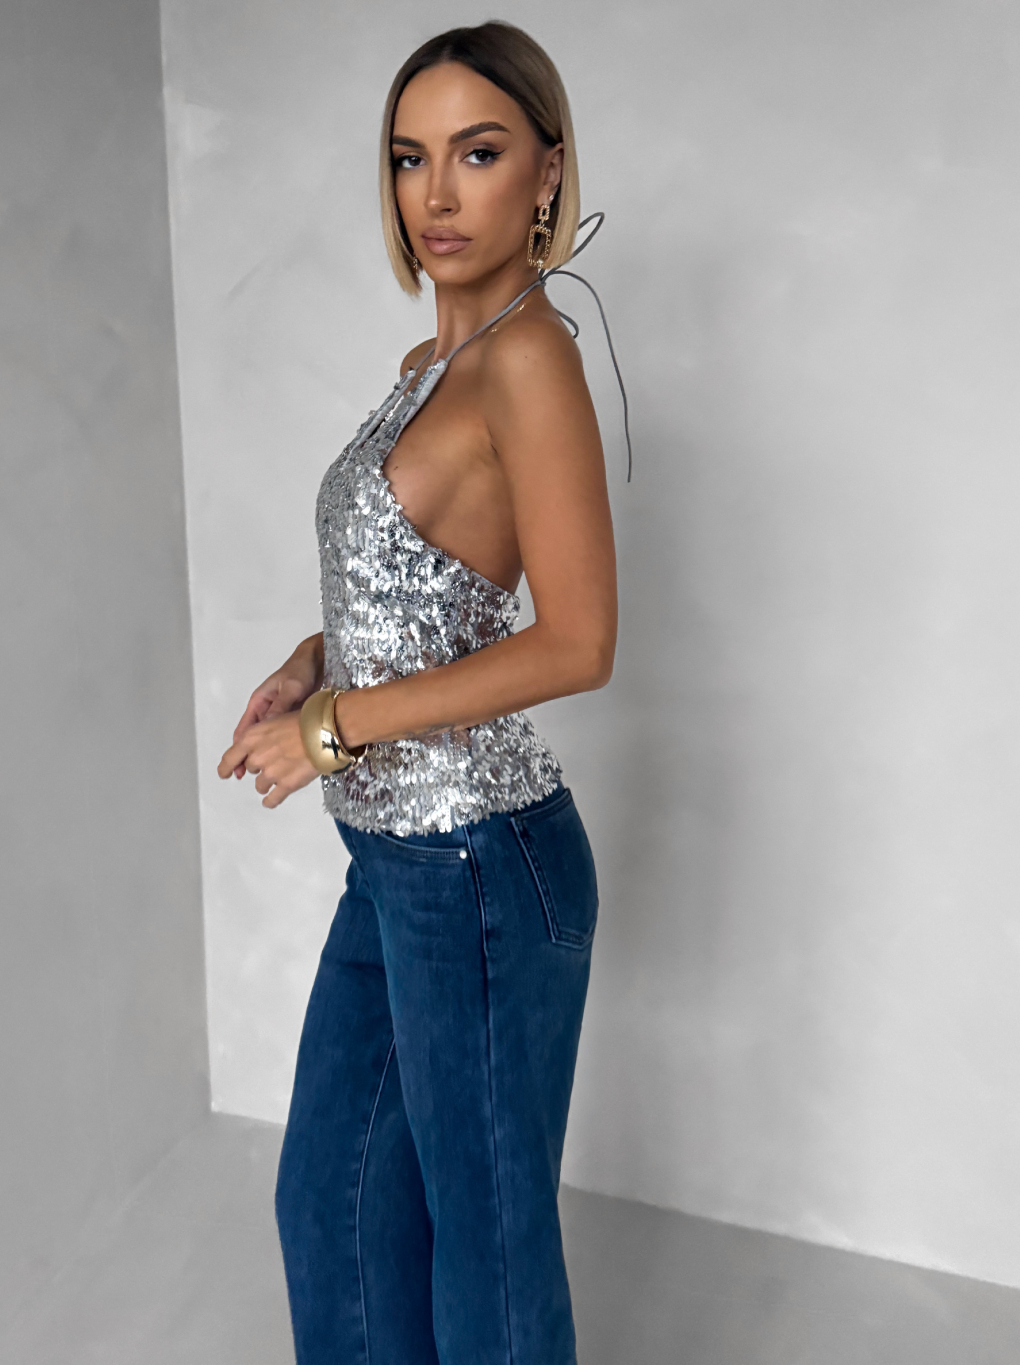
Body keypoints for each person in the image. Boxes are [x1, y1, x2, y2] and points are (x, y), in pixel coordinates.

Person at [217, 21, 622, 1365]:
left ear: (547, 173)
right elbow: (420, 594)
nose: (437, 195)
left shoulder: (530, 361)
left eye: (478, 153)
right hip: (394, 861)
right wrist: (314, 659)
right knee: (332, 1209)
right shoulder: (428, 369)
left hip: (481, 868)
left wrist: (333, 728)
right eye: (409, 158)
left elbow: (578, 640)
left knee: (485, 1260)